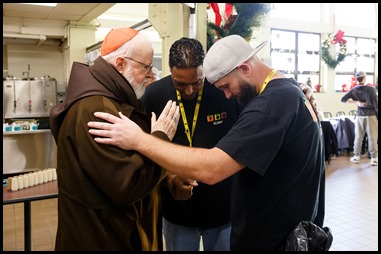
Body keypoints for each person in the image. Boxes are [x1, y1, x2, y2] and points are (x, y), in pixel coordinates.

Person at [87, 34, 327, 251]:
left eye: (225, 87)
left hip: (258, 230)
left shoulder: (271, 102)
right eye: (181, 84)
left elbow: (212, 168)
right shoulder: (287, 92)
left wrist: (139, 140)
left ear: (243, 68)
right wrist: (169, 176)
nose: (226, 95)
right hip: (190, 216)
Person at [49, 27, 180, 251]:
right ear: (120, 64)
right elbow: (128, 185)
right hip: (102, 238)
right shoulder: (97, 110)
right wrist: (161, 138)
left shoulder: (112, 98)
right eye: (146, 68)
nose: (151, 76)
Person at [141, 37, 241, 251]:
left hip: (222, 210)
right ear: (170, 70)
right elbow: (144, 149)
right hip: (178, 212)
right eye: (180, 84)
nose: (188, 91)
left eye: (196, 82)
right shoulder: (154, 95)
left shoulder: (224, 91)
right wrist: (169, 178)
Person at [341, 71, 378, 166]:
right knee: (372, 137)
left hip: (359, 115)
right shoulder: (371, 89)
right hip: (371, 115)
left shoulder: (354, 90)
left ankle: (356, 156)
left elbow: (343, 99)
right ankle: (374, 158)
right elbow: (376, 105)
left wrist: (357, 102)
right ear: (364, 78)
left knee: (358, 137)